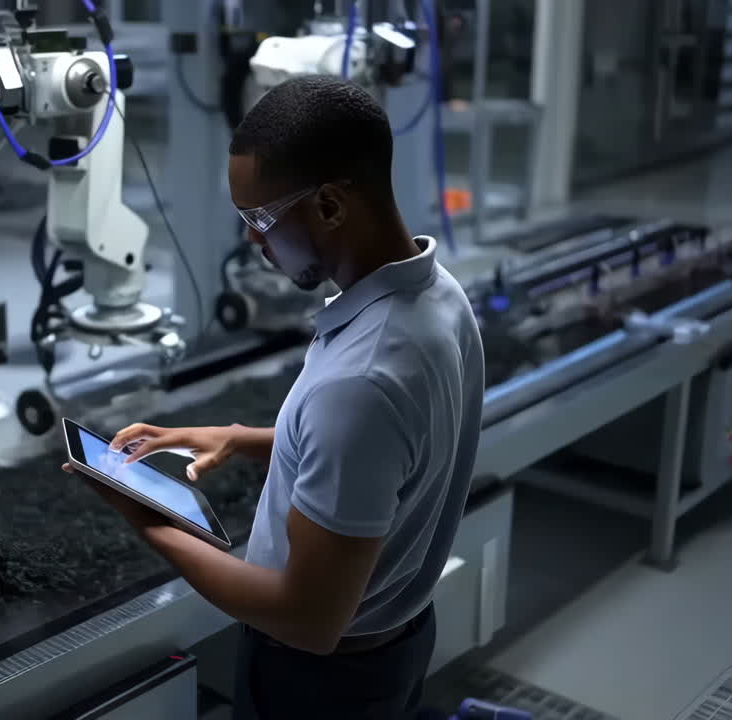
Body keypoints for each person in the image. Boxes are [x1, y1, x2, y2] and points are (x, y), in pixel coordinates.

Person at [65, 75, 485, 720]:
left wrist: (145, 519)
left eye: (260, 219)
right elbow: (391, 454)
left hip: (320, 686)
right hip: (394, 649)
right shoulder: (439, 293)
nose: (254, 242)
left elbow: (307, 619)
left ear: (330, 205)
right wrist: (247, 439)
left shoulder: (361, 381)